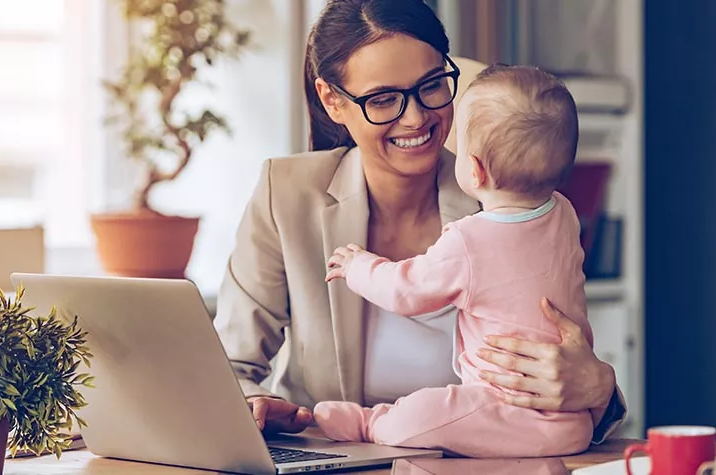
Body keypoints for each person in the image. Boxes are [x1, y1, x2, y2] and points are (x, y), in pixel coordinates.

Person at [213, 0, 626, 445]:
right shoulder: (287, 194)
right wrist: (253, 408)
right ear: (332, 100)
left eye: (431, 86)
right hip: (336, 458)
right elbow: (228, 370)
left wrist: (598, 389)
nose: (416, 117)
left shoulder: (510, 201)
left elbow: (569, 367)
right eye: (384, 99)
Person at [312, 64, 594, 458]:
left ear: (474, 170)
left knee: (428, 410)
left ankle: (370, 422)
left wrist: (358, 267)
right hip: (572, 422)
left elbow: (406, 291)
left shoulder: (469, 240)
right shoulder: (563, 215)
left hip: (502, 406)